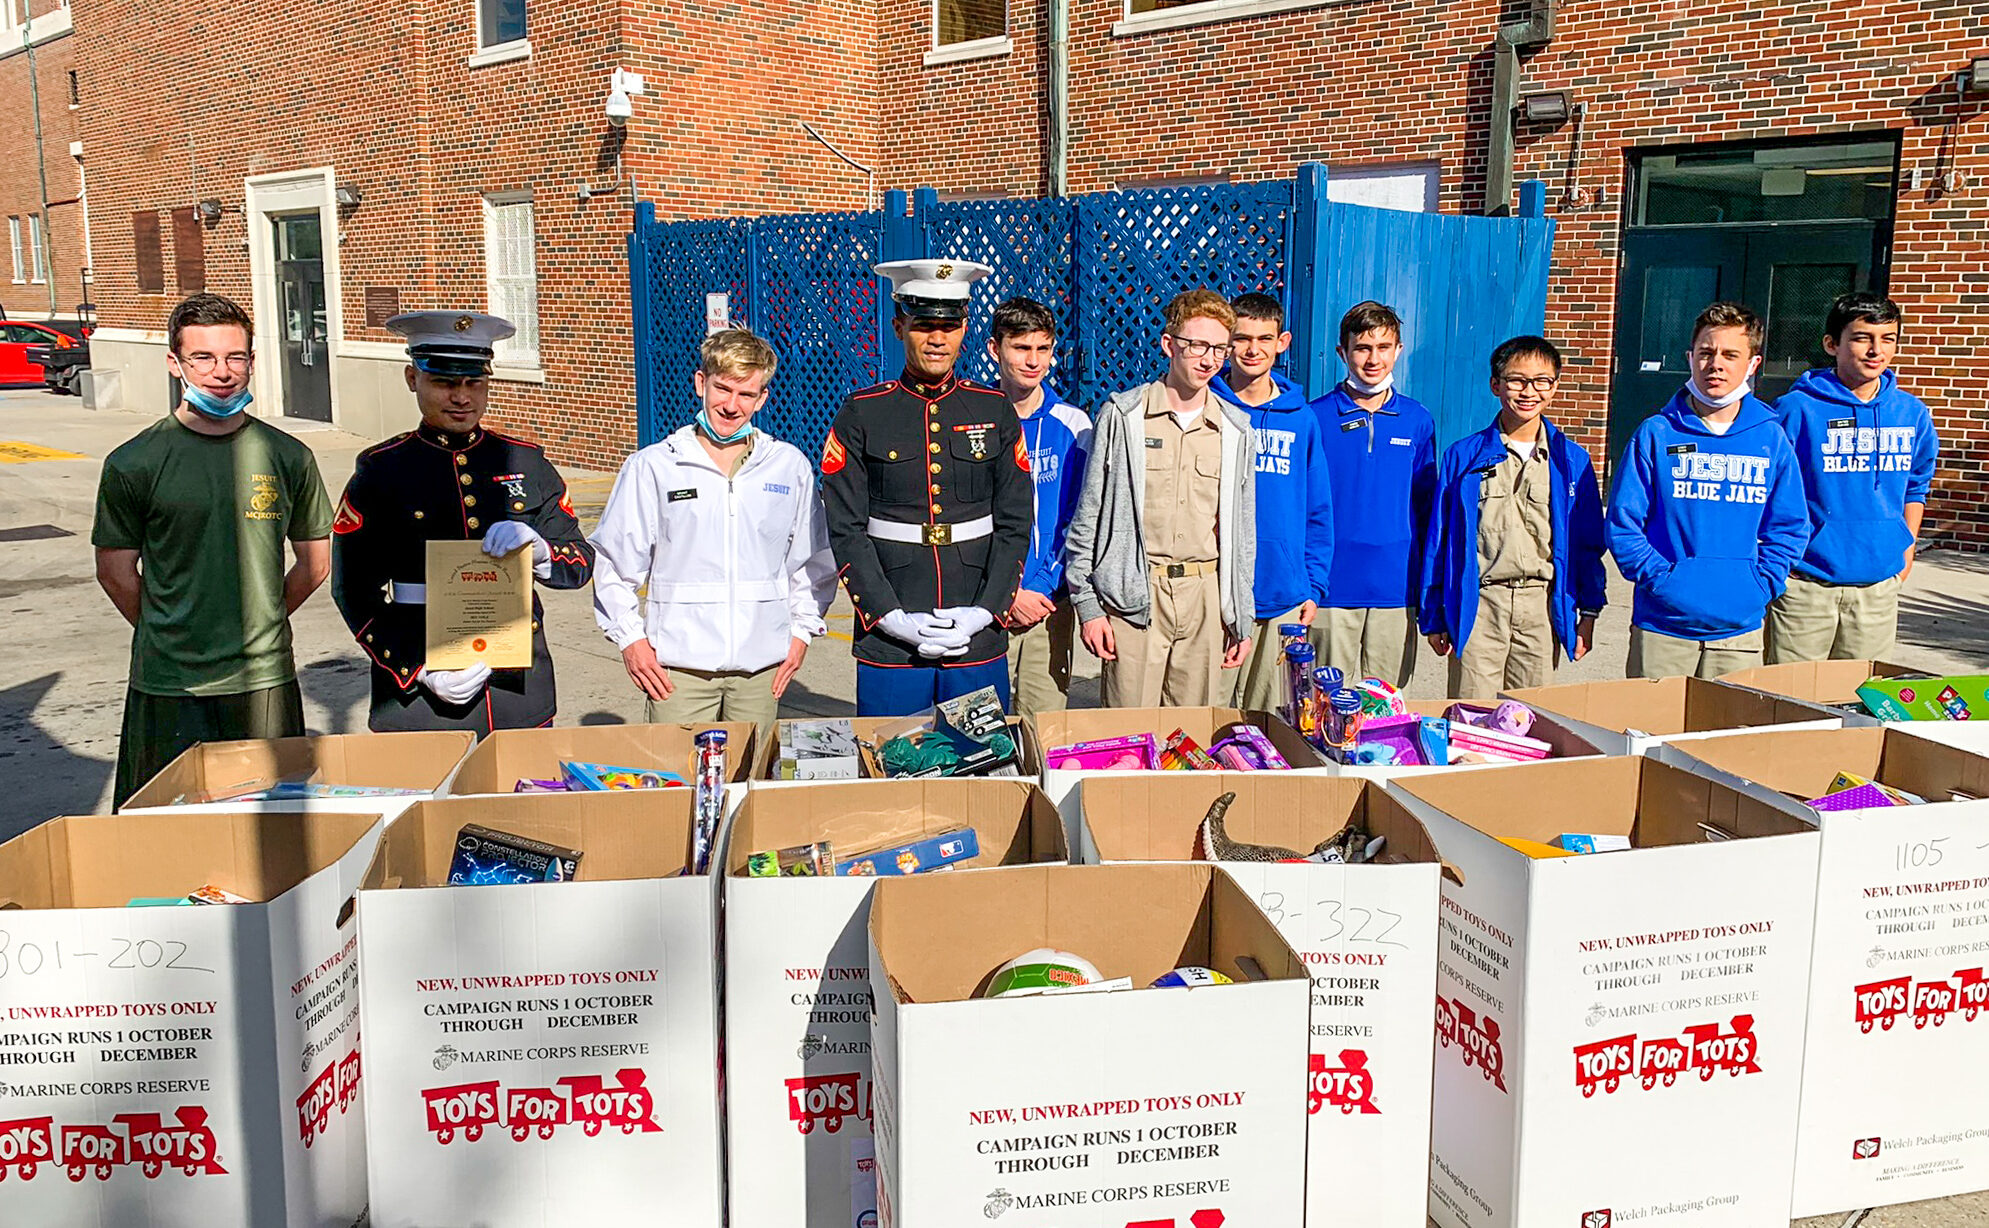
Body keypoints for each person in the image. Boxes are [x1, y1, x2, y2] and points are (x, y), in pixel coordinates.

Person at [93, 293, 334, 807]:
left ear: (251, 361)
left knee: (275, 826)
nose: (221, 372)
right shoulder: (134, 462)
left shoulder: (288, 456)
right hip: (169, 684)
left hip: (263, 681)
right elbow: (115, 572)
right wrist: (172, 628)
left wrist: (258, 620)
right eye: (203, 357)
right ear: (175, 364)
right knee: (159, 826)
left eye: (235, 357)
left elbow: (315, 565)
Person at [330, 311, 595, 732]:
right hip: (420, 697)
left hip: (516, 691)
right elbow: (353, 590)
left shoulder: (525, 462)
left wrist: (544, 553)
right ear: (412, 378)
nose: (462, 397)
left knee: (522, 795)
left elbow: (578, 560)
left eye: (474, 382)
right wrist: (417, 668)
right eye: (445, 382)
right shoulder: (382, 472)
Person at [820, 259, 1034, 717]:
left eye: (950, 325)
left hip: (975, 630)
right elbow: (846, 529)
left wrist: (986, 611)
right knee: (892, 767)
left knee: (979, 768)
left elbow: (1015, 523)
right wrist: (889, 617)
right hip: (893, 631)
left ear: (964, 330)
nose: (938, 338)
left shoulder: (993, 408)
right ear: (900, 326)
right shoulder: (863, 412)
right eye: (923, 325)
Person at [591, 328, 835, 729]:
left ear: (762, 398)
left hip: (761, 670)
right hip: (677, 673)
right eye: (723, 389)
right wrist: (631, 640)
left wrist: (802, 633)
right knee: (678, 782)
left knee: (750, 783)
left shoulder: (788, 467)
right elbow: (614, 564)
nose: (731, 406)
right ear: (701, 383)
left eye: (746, 394)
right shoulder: (654, 466)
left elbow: (813, 563)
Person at [1065, 288, 1259, 708]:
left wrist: (1241, 616)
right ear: (1169, 344)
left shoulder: (1236, 429)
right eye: (1197, 346)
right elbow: (1089, 516)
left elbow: (1244, 534)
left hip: (1206, 596)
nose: (1208, 360)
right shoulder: (1122, 416)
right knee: (1128, 731)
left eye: (1220, 349)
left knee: (1191, 736)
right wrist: (1089, 607)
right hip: (1135, 595)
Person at [1607, 302, 1809, 680]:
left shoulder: (1770, 437)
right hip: (1662, 627)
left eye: (1731, 354)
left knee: (1728, 737)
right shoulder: (1656, 434)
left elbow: (1790, 527)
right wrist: (1663, 579)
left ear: (1752, 364)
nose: (1716, 364)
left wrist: (1761, 583)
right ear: (1690, 358)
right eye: (1706, 352)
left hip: (1740, 629)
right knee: (1651, 734)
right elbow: (1623, 525)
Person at [1420, 336, 1605, 695]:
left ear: (1555, 386)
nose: (1528, 391)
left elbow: (1587, 545)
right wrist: (1434, 614)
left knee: (1531, 718)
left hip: (1540, 606)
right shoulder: (1463, 457)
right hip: (1480, 604)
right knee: (1471, 718)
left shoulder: (1571, 461)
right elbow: (1439, 540)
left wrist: (1589, 612)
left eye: (1541, 381)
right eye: (1516, 380)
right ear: (1496, 384)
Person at [1766, 292, 1938, 663]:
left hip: (1877, 589)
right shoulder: (1796, 410)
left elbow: (1916, 486)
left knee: (1857, 704)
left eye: (1887, 339)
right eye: (1862, 338)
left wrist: (1904, 555)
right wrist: (1780, 569)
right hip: (1804, 587)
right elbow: (1768, 492)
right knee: (1791, 704)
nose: (1876, 350)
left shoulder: (1911, 413)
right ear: (1832, 344)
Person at [1210, 291, 1333, 710]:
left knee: (1269, 716)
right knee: (1211, 711)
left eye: (1264, 339)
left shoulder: (1301, 419)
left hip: (1282, 592)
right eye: (1241, 338)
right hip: (1219, 590)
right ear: (1226, 343)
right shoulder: (1209, 407)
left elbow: (1318, 511)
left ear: (1283, 342)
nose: (1252, 349)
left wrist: (1312, 586)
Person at [1307, 301, 1437, 690]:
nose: (1373, 358)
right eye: (1362, 348)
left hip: (1395, 587)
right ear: (1342, 352)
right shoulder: (1314, 417)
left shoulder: (1418, 420)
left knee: (1387, 708)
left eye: (1384, 347)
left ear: (1398, 350)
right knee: (1326, 704)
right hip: (1331, 587)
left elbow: (1427, 507)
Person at [989, 297, 1091, 717]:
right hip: (988, 603)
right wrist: (1006, 592)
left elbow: (1079, 519)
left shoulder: (1074, 425)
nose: (1033, 361)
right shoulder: (973, 418)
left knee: (1042, 727)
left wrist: (1044, 586)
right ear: (996, 350)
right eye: (1021, 348)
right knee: (982, 728)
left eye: (1043, 348)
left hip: (1048, 602)